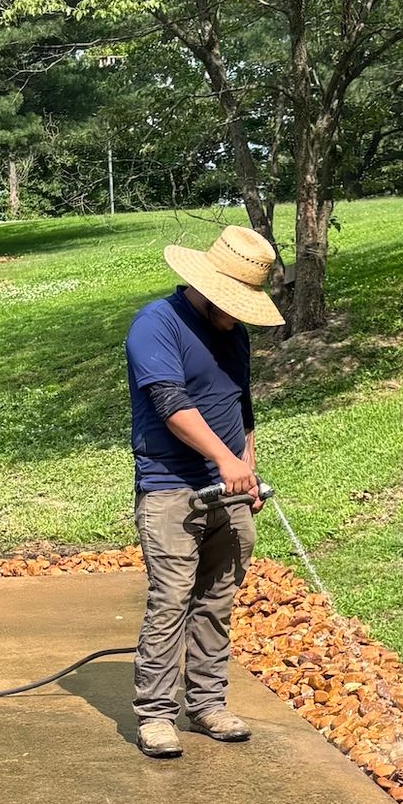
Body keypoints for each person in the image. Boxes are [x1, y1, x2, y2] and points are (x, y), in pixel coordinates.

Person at [122, 224, 283, 759]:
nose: (236, 314)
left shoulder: (232, 331)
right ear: (205, 284)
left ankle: (208, 703)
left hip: (229, 490)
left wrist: (248, 472)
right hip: (171, 489)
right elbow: (170, 404)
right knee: (170, 601)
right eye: (231, 302)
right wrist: (223, 460)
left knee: (217, 602)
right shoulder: (156, 325)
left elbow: (241, 407)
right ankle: (156, 716)